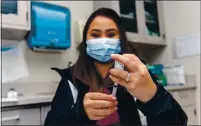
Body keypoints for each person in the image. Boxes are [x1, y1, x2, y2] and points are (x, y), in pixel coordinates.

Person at [44, 8, 187, 126]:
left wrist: (154, 97)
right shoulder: (71, 81)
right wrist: (80, 112)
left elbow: (178, 122)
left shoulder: (137, 77)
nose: (104, 40)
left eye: (111, 34)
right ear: (85, 40)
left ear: (121, 40)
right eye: (95, 34)